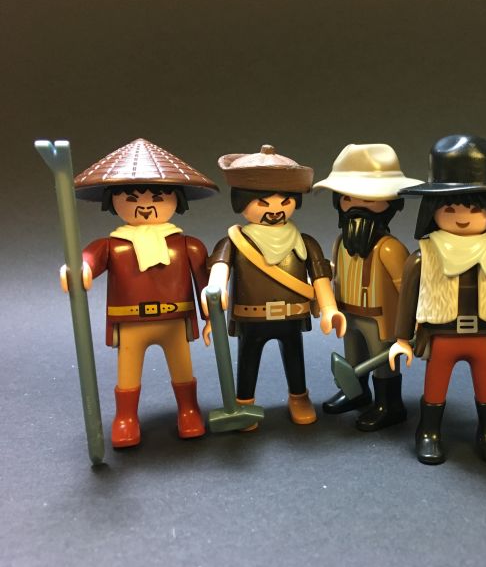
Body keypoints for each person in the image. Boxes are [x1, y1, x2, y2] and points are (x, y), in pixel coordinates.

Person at [60, 138, 218, 447]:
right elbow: (88, 259)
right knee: (128, 373)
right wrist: (78, 269)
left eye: (158, 197)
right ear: (112, 201)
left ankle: (188, 410)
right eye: (131, 198)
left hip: (175, 321)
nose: (145, 206)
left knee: (183, 370)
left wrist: (211, 317)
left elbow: (205, 284)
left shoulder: (188, 245)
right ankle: (125, 418)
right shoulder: (112, 245)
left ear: (177, 200)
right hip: (131, 322)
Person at [389, 135, 486, 464]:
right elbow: (408, 298)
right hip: (442, 334)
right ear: (432, 211)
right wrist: (401, 339)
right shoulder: (424, 255)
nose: (462, 217)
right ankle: (429, 430)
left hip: (485, 334)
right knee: (435, 385)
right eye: (450, 208)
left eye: (475, 208)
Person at [205, 144, 345, 428]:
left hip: (291, 316)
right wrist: (215, 291)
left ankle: (299, 397)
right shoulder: (234, 242)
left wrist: (329, 308)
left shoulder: (305, 242)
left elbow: (320, 277)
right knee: (248, 361)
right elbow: (219, 270)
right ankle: (245, 403)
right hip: (251, 317)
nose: (275, 210)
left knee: (295, 359)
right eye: (263, 203)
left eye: (285, 202)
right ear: (241, 202)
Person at [313, 144, 422, 430]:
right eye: (347, 198)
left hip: (380, 319)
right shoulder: (341, 243)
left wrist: (414, 323)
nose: (356, 206)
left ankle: (390, 404)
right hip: (348, 314)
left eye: (369, 199)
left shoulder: (390, 248)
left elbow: (407, 289)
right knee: (354, 357)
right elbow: (335, 275)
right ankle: (357, 393)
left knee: (382, 363)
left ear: (391, 203)